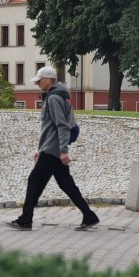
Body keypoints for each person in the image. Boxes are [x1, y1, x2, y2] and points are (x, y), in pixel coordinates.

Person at [7, 67, 100, 231]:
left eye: (39, 80)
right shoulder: (56, 97)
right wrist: (40, 149)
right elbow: (49, 128)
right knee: (66, 184)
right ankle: (89, 215)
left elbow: (62, 126)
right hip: (50, 149)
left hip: (53, 151)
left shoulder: (54, 98)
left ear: (48, 79)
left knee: (34, 181)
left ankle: (25, 219)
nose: (36, 83)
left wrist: (63, 151)